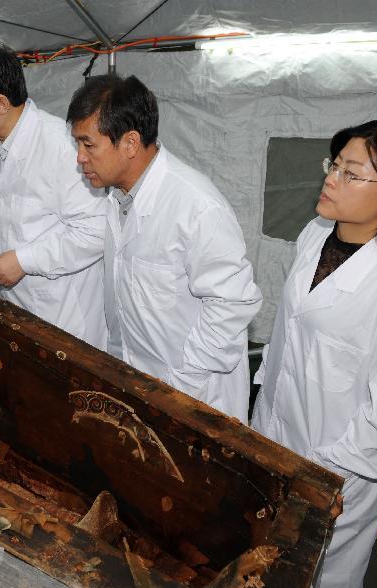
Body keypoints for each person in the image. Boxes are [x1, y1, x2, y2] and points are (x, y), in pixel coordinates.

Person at [250, 119, 377, 588]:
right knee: (257, 570)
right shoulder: (316, 235)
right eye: (333, 165)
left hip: (336, 472)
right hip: (273, 437)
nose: (330, 179)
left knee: (318, 583)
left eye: (351, 173)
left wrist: (325, 474)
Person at [66, 74, 262, 420]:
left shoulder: (196, 206)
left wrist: (180, 387)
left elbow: (232, 304)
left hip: (194, 399)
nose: (80, 158)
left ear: (129, 143)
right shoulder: (118, 198)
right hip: (141, 388)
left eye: (88, 144)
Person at [0, 42, 107, 349]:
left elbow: (96, 230)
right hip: (20, 313)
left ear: (1, 103)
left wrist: (24, 261)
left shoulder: (61, 147)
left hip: (65, 322)